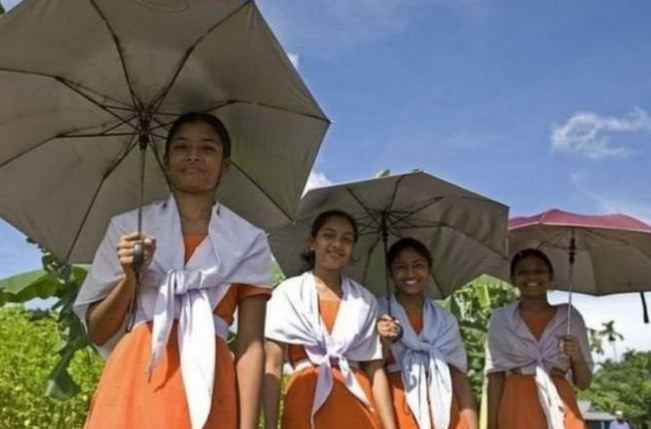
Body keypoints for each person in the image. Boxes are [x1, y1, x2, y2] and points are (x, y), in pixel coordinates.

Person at [73, 112, 272, 429]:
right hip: (136, 379)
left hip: (212, 385)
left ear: (226, 164)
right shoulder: (128, 229)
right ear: (165, 161)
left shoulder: (249, 242)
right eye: (181, 147)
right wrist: (131, 278)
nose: (193, 155)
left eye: (207, 148)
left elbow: (250, 345)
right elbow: (97, 331)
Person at [263, 209, 397, 429]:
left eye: (346, 239)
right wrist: (270, 425)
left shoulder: (364, 300)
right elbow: (273, 364)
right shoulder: (288, 293)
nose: (337, 244)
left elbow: (375, 370)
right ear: (312, 242)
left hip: (358, 407)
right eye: (329, 235)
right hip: (304, 402)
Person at [376, 237, 479, 429]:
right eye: (400, 267)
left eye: (418, 265)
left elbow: (459, 377)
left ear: (429, 270)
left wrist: (472, 424)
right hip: (397, 404)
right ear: (390, 272)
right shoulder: (377, 312)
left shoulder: (444, 319)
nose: (410, 273)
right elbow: (370, 368)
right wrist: (382, 341)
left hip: (444, 406)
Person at [486, 248, 593, 429]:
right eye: (523, 272)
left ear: (550, 276)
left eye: (539, 271)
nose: (532, 277)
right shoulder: (501, 319)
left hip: (562, 406)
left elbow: (584, 383)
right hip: (516, 405)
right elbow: (496, 377)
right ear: (513, 279)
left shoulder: (569, 317)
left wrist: (577, 356)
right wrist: (491, 425)